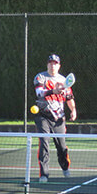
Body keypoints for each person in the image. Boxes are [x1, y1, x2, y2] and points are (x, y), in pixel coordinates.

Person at [33, 54, 76, 182]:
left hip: (59, 119)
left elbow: (69, 98)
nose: (53, 65)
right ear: (47, 65)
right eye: (50, 63)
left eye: (55, 63)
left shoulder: (64, 80)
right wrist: (53, 91)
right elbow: (39, 93)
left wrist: (73, 110)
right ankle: (44, 175)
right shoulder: (40, 77)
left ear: (59, 66)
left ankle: (65, 168)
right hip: (43, 116)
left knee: (62, 147)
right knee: (44, 143)